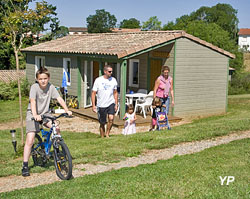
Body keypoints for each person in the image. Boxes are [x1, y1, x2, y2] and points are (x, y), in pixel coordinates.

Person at [22, 67, 72, 177]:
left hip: (45, 114)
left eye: (45, 78)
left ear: (48, 78)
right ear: (37, 79)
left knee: (56, 128)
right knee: (30, 139)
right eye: (40, 79)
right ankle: (25, 165)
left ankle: (59, 153)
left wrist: (67, 110)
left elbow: (59, 99)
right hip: (33, 114)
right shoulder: (34, 87)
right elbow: (33, 101)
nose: (43, 81)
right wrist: (35, 115)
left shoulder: (51, 87)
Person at [91, 65, 118, 138]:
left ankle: (107, 133)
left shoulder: (113, 80)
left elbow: (115, 92)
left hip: (110, 102)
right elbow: (93, 93)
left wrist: (116, 104)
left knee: (111, 118)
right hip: (101, 104)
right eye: (109, 71)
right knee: (102, 123)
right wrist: (93, 105)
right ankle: (102, 137)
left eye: (111, 71)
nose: (111, 73)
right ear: (105, 71)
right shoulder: (98, 80)